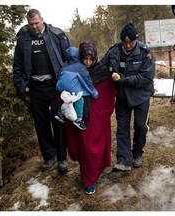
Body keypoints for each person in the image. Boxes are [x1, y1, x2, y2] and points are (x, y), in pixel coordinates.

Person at [13, 9, 71, 172]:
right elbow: (17, 64)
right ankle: (49, 156)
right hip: (36, 88)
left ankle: (62, 158)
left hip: (55, 86)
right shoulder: (23, 40)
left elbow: (68, 58)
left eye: (37, 23)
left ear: (42, 20)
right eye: (31, 24)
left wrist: (70, 81)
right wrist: (19, 85)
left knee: (58, 120)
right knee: (41, 123)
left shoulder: (56, 34)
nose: (34, 27)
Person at [101, 21, 155, 171]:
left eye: (131, 42)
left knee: (140, 126)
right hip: (123, 97)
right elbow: (101, 67)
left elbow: (146, 78)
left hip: (141, 96)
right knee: (122, 128)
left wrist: (124, 80)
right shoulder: (114, 51)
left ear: (135, 40)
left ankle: (137, 152)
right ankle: (123, 160)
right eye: (125, 42)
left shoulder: (146, 53)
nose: (128, 45)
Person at [64, 41, 115, 195]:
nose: (88, 62)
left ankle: (90, 180)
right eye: (85, 59)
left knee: (94, 148)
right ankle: (88, 178)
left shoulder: (102, 72)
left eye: (90, 59)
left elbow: (108, 92)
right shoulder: (74, 71)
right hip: (81, 117)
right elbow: (65, 88)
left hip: (97, 117)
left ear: (95, 58)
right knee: (84, 148)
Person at [55, 47, 98, 130]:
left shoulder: (64, 65)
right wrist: (94, 93)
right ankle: (78, 119)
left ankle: (60, 113)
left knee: (68, 99)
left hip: (60, 86)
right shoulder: (80, 67)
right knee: (79, 98)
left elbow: (59, 75)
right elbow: (87, 81)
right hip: (72, 87)